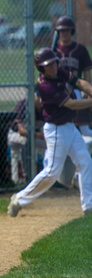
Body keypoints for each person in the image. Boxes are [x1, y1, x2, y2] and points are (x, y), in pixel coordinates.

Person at [8, 48, 92, 217]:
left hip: (69, 127)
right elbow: (71, 104)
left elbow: (79, 82)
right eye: (48, 65)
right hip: (56, 130)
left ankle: (88, 207)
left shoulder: (59, 71)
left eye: (54, 62)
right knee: (52, 171)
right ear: (41, 68)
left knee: (85, 162)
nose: (53, 66)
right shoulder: (45, 86)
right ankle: (19, 199)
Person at [53, 16, 92, 187]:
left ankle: (80, 174)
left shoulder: (80, 49)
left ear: (72, 32)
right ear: (58, 32)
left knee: (83, 130)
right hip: (59, 93)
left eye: (67, 30)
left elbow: (87, 72)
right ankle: (63, 177)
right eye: (61, 30)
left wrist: (88, 91)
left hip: (76, 90)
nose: (64, 33)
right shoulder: (53, 50)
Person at [7, 97, 46, 184]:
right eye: (38, 96)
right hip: (14, 134)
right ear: (33, 95)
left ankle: (48, 176)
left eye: (42, 96)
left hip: (34, 136)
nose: (41, 100)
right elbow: (22, 132)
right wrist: (38, 135)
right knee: (26, 141)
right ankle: (27, 176)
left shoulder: (46, 105)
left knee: (54, 144)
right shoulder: (24, 105)